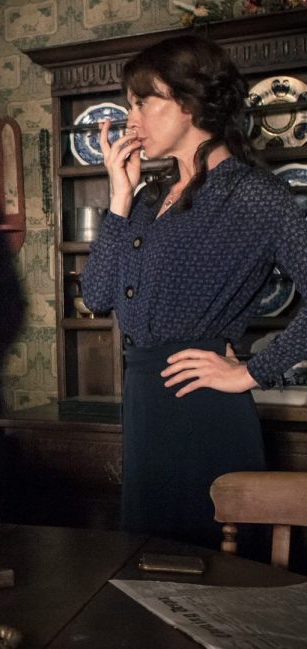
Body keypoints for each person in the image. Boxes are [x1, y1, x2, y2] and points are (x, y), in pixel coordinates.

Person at [82, 34, 307, 548]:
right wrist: (120, 196)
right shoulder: (149, 197)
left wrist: (251, 372)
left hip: (203, 405)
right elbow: (96, 296)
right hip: (144, 401)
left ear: (189, 103)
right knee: (148, 564)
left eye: (143, 102)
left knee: (210, 568)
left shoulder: (253, 193)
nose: (129, 119)